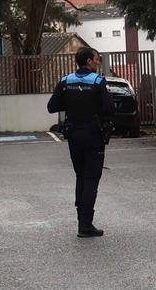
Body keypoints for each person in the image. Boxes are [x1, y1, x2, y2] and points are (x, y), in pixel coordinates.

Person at [47, 47, 114, 237]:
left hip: (73, 134)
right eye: (97, 59)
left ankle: (81, 222)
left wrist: (71, 102)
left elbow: (52, 107)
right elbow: (109, 108)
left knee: (80, 176)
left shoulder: (65, 81)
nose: (98, 62)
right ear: (89, 61)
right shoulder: (98, 82)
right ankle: (86, 225)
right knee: (91, 179)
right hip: (93, 134)